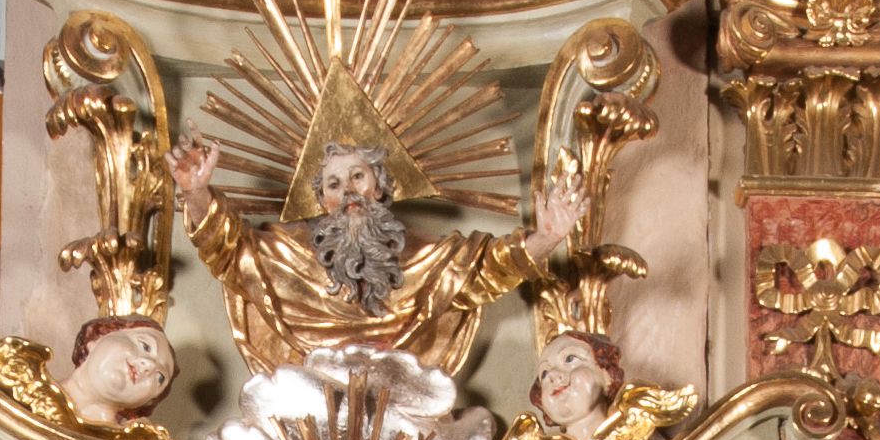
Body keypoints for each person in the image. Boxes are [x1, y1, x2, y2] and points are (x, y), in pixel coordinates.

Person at [170, 129, 586, 393]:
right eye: (334, 184)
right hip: (304, 404)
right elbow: (227, 248)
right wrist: (196, 192)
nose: (348, 192)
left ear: (380, 189)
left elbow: (488, 267)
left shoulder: (428, 258)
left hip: (401, 406)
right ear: (322, 201)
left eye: (357, 177)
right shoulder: (283, 253)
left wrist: (547, 238)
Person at [500, 324, 694, 440]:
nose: (552, 375)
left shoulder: (630, 434)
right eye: (544, 374)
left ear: (606, 373)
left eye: (570, 359)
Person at [63, 311, 175, 433]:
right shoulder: (45, 392)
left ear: (146, 402)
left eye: (160, 377)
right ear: (99, 336)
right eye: (145, 346)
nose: (149, 365)